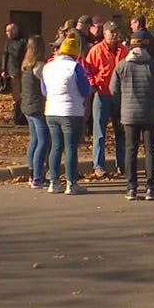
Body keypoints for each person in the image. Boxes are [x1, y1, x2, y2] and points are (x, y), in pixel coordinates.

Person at [112, 29, 154, 201]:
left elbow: (113, 90)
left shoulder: (122, 66)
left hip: (129, 115)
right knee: (150, 151)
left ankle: (131, 188)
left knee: (130, 150)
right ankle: (151, 189)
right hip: (150, 114)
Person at [42, 35, 92, 194]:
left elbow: (44, 91)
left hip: (51, 110)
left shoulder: (47, 67)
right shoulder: (75, 67)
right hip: (71, 111)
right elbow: (85, 90)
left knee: (56, 146)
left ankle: (53, 181)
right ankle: (71, 183)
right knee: (70, 147)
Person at [83, 21, 130, 177]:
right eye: (111, 32)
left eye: (116, 32)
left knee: (121, 132)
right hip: (101, 95)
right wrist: (95, 83)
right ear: (104, 34)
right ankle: (99, 166)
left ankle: (121, 165)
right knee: (99, 132)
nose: (114, 35)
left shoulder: (124, 51)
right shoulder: (95, 51)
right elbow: (87, 72)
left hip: (119, 96)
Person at [21, 35, 49, 187]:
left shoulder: (25, 65)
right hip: (37, 106)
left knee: (34, 140)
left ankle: (32, 173)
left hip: (27, 106)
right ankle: (38, 177)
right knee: (43, 141)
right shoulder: (39, 67)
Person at [2, 23, 28, 126]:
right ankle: (17, 114)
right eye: (6, 31)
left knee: (21, 94)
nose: (7, 33)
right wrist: (3, 69)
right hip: (11, 70)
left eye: (9, 31)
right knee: (15, 94)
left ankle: (20, 115)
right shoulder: (8, 42)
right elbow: (5, 55)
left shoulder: (23, 41)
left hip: (20, 70)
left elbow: (20, 54)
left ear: (15, 31)